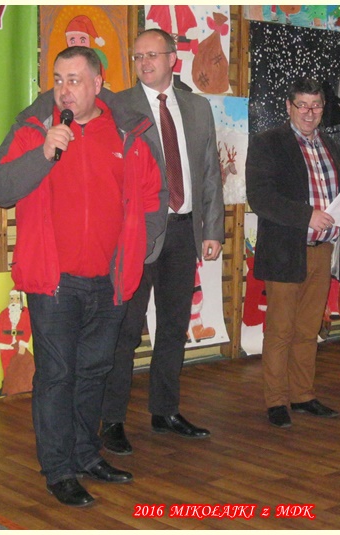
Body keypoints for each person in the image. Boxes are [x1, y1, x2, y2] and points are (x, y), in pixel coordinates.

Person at [0, 46, 165, 507]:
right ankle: (59, 469)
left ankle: (86, 455)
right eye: (59, 80)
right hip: (55, 281)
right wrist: (44, 153)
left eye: (75, 80)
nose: (64, 89)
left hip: (109, 280)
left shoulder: (126, 131)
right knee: (58, 375)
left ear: (98, 84)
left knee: (94, 371)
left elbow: (152, 197)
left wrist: (137, 252)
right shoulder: (34, 129)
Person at [99, 29, 224, 454]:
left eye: (152, 55)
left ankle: (165, 410)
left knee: (173, 326)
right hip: (135, 235)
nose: (144, 63)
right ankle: (112, 420)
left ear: (173, 58)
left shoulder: (197, 107)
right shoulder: (118, 108)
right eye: (138, 57)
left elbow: (209, 172)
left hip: (184, 231)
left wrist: (212, 229)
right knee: (125, 331)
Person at [246, 77, 340, 428]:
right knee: (280, 330)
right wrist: (306, 215)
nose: (310, 112)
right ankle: (276, 401)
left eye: (316, 105)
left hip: (322, 249)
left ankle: (302, 395)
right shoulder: (268, 143)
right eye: (303, 105)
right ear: (289, 106)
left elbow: (334, 195)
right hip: (285, 249)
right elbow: (260, 197)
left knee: (308, 329)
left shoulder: (329, 145)